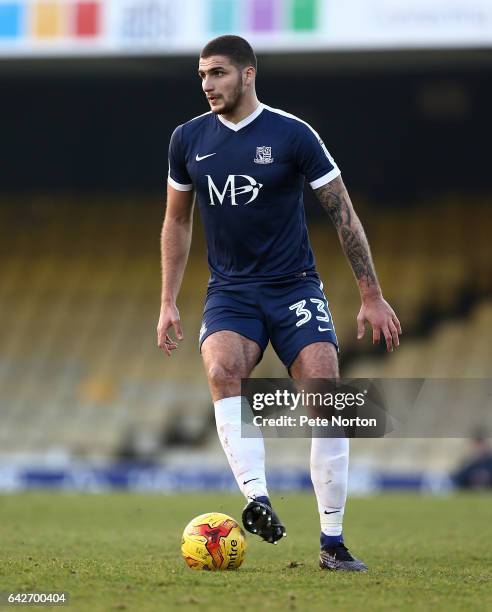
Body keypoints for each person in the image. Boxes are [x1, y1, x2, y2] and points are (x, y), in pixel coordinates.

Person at [158, 35, 401, 572]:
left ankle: (332, 543)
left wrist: (372, 294)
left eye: (218, 73)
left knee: (325, 388)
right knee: (222, 367)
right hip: (231, 292)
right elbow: (177, 221)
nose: (207, 85)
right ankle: (258, 500)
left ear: (248, 75)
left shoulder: (293, 134)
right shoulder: (187, 139)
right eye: (201, 75)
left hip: (293, 286)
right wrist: (168, 300)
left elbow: (342, 212)